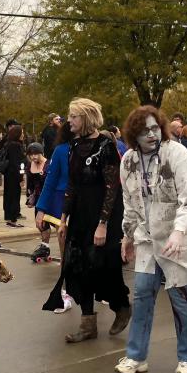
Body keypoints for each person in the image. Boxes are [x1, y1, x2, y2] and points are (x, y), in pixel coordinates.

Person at [116, 105, 187, 373]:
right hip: (146, 237)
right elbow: (130, 201)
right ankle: (136, 356)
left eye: (155, 128)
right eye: (145, 131)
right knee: (142, 293)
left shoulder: (177, 154)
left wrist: (178, 232)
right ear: (134, 134)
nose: (152, 135)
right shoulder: (128, 161)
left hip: (177, 236)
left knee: (180, 295)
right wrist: (127, 235)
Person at [44, 98, 131, 341]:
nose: (68, 120)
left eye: (73, 116)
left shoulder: (105, 144)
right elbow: (72, 184)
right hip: (80, 214)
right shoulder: (73, 146)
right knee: (78, 266)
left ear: (86, 118)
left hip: (104, 213)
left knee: (105, 266)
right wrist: (63, 218)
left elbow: (112, 186)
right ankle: (88, 324)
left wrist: (102, 224)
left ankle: (122, 306)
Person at [36, 120, 75, 313]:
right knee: (65, 250)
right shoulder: (61, 150)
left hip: (86, 204)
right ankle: (66, 293)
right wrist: (41, 208)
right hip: (62, 204)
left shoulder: (94, 147)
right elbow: (50, 181)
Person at [25, 142, 51, 262]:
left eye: (36, 154)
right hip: (38, 198)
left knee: (56, 223)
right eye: (31, 155)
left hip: (50, 197)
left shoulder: (48, 164)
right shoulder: (30, 165)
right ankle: (45, 247)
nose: (34, 157)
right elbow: (29, 183)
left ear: (41, 153)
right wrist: (29, 197)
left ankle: (63, 248)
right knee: (40, 224)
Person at [2, 124, 27, 228]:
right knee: (14, 197)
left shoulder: (8, 144)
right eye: (22, 132)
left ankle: (9, 218)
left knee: (8, 196)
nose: (23, 134)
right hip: (14, 175)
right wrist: (21, 177)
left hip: (9, 174)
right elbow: (18, 164)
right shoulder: (16, 146)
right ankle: (13, 219)